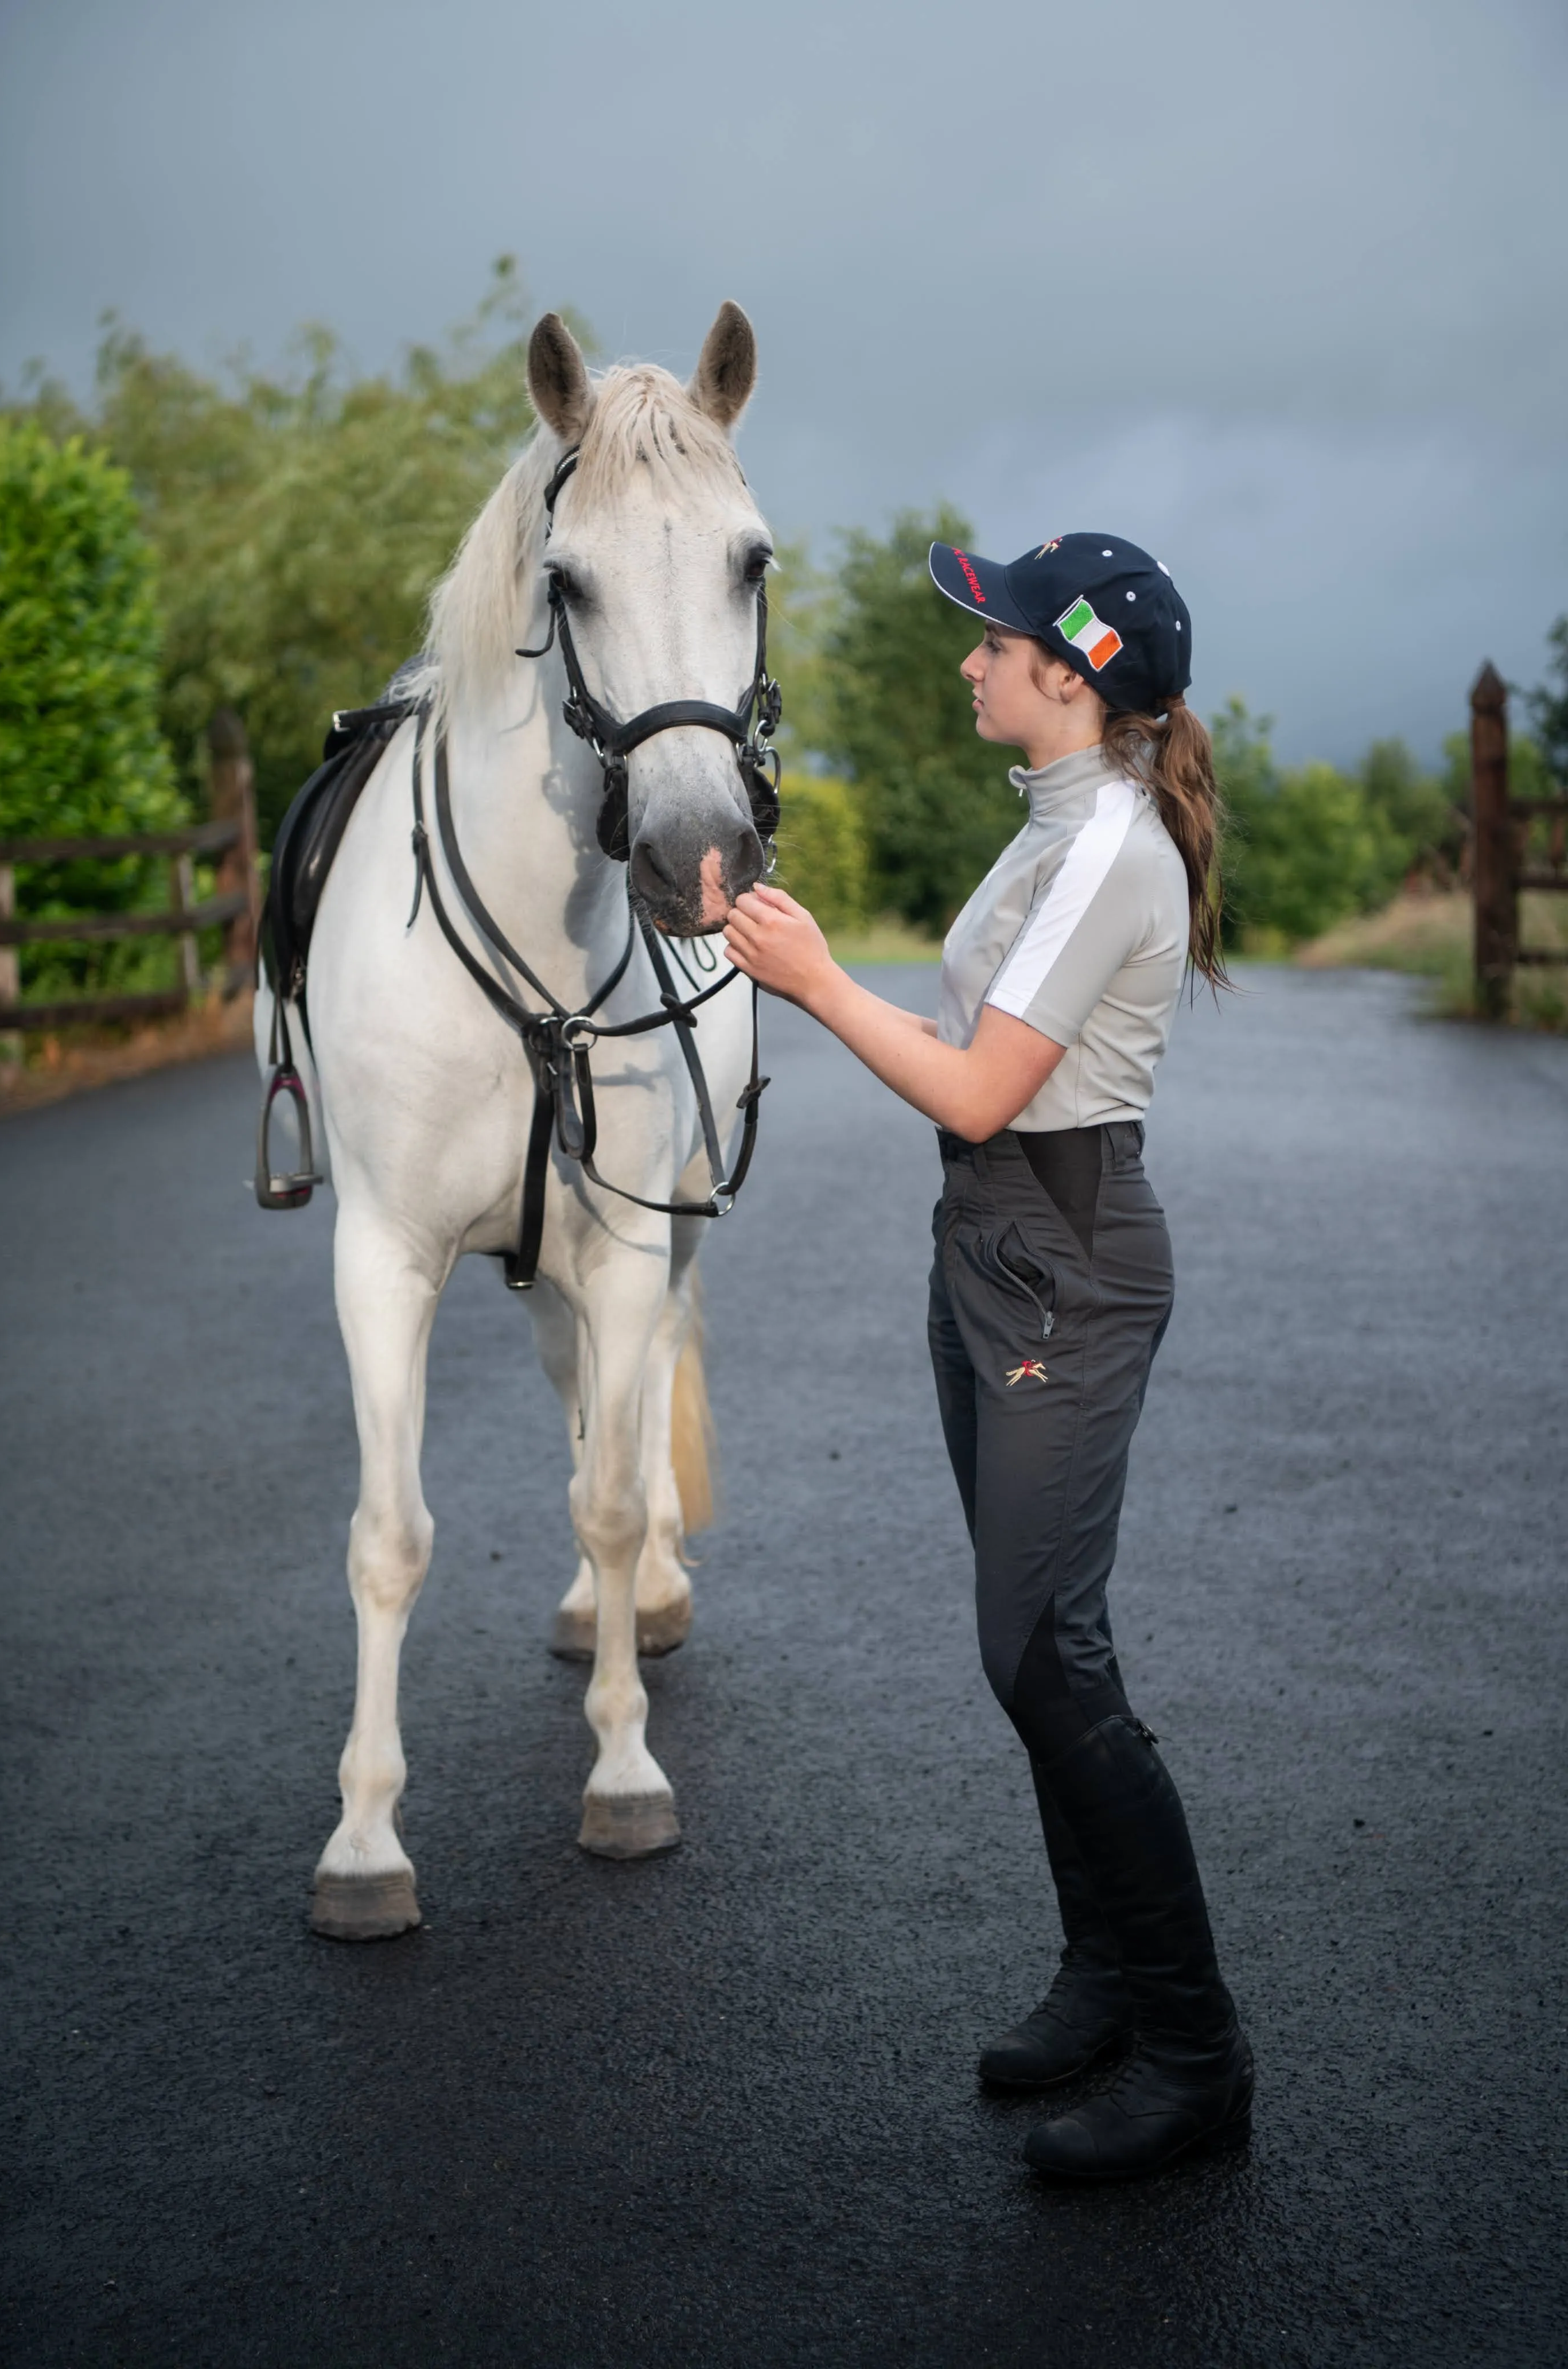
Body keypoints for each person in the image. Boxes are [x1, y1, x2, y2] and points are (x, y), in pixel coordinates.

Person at [722, 531, 1251, 2182]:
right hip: (996, 1246)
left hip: (1062, 1259)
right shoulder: (1058, 829)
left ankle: (1193, 2051)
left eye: (996, 641)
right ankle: (1105, 1974)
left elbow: (975, 1089)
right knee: (1032, 1644)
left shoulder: (1105, 849)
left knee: (1044, 1654)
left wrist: (813, 984)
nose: (970, 660)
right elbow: (979, 1050)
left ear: (1074, 677)